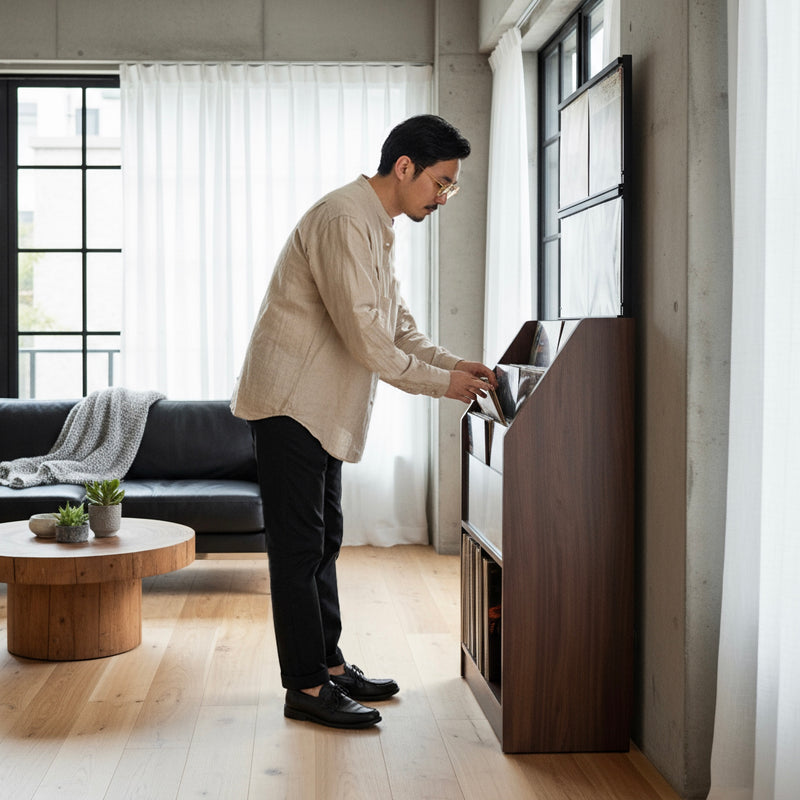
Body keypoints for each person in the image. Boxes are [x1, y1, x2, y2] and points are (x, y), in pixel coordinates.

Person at [231, 114, 497, 729]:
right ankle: (305, 687)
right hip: (289, 404)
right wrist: (443, 385)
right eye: (442, 182)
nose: (444, 197)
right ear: (404, 167)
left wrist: (456, 365)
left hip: (317, 409)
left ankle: (326, 665)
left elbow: (397, 325)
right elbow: (367, 339)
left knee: (321, 543)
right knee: (299, 552)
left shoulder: (377, 226)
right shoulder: (345, 219)